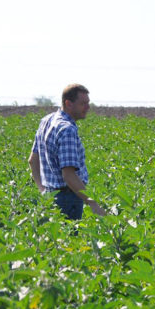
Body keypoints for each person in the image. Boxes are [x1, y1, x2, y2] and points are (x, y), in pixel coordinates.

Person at [29, 84, 107, 220]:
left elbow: (32, 160)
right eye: (83, 103)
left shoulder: (46, 121)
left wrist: (42, 190)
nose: (88, 107)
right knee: (69, 238)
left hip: (49, 197)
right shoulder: (67, 130)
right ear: (68, 104)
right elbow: (69, 175)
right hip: (68, 200)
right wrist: (92, 203)